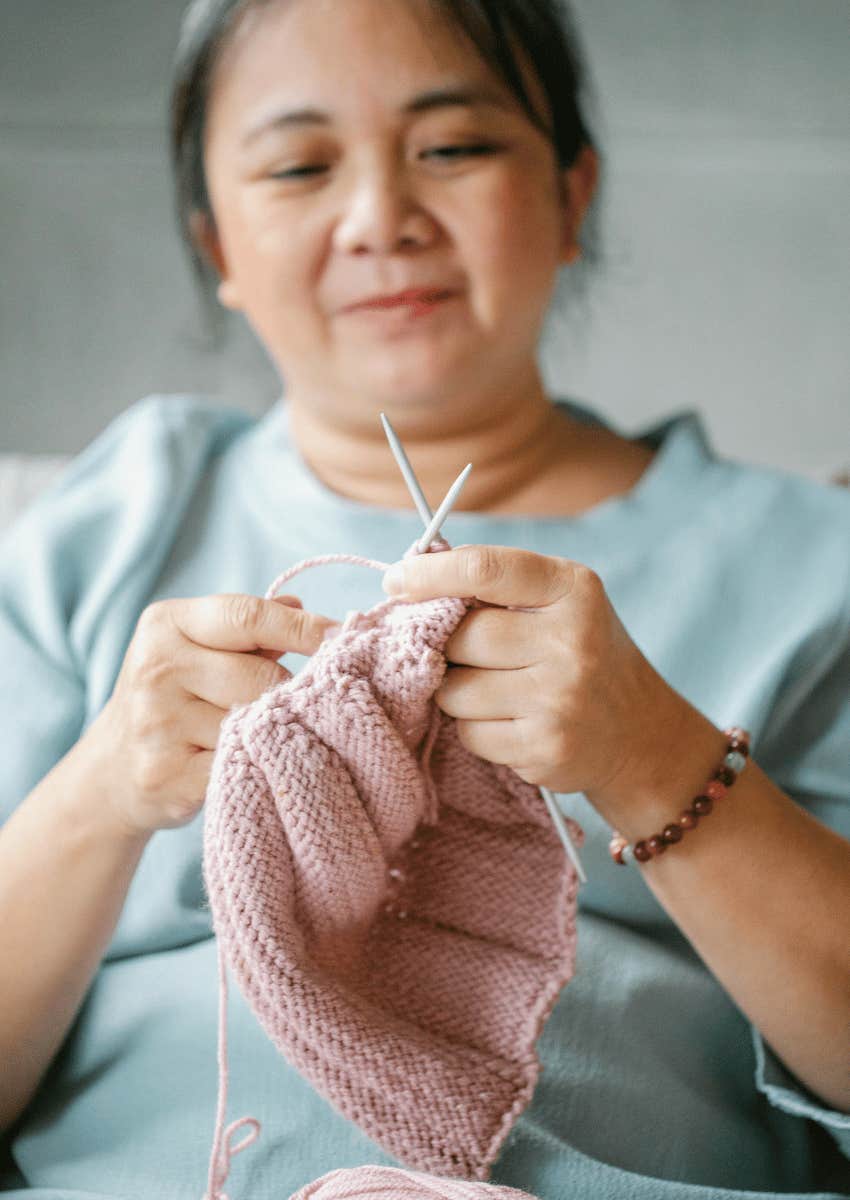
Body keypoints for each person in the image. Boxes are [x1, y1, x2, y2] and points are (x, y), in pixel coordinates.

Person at [0, 0, 848, 1197]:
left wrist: (656, 757)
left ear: (571, 195)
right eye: (299, 166)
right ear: (219, 248)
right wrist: (100, 794)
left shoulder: (811, 562)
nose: (379, 221)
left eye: (452, 148)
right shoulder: (118, 523)